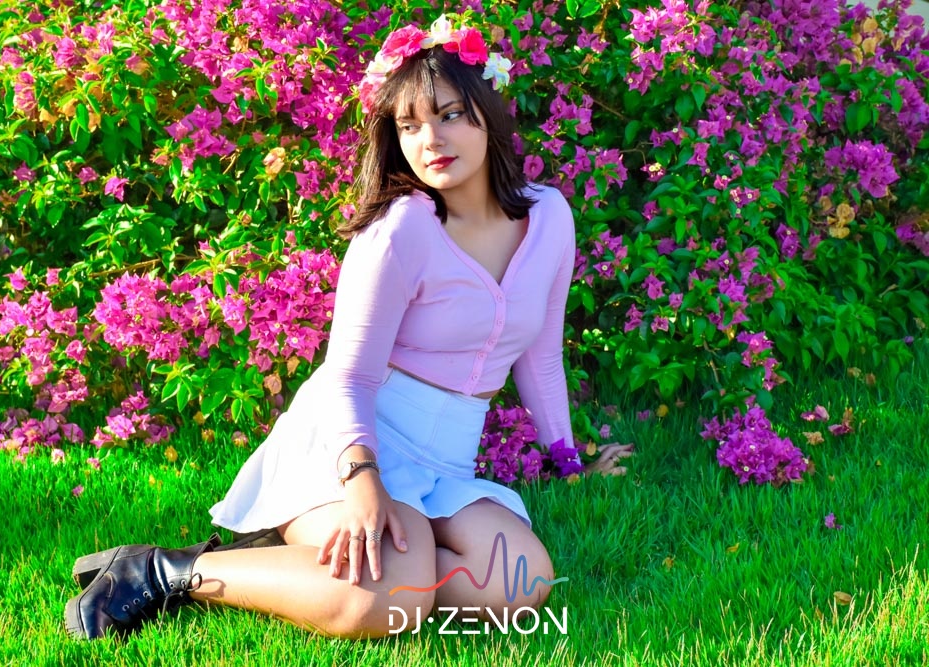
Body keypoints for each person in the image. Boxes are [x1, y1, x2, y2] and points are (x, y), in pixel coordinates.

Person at [64, 14, 632, 641]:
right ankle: (165, 569)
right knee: (381, 600)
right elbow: (349, 376)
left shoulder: (549, 217)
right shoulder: (400, 229)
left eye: (450, 115)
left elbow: (540, 355)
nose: (431, 140)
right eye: (409, 125)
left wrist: (568, 461)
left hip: (445, 462)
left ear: (488, 115)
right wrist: (361, 480)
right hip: (353, 441)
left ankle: (310, 564)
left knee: (517, 584)